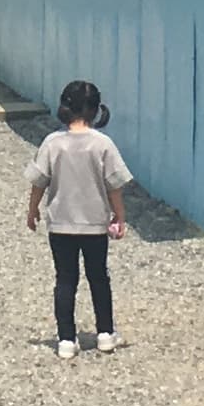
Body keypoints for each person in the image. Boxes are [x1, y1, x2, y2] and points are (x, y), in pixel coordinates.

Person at [24, 77, 133, 356]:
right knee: (99, 277)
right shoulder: (102, 144)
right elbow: (114, 186)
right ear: (96, 110)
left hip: (61, 223)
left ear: (65, 107)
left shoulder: (53, 143)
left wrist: (32, 208)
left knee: (65, 279)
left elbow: (39, 181)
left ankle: (66, 339)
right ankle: (105, 333)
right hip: (95, 224)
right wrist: (119, 217)